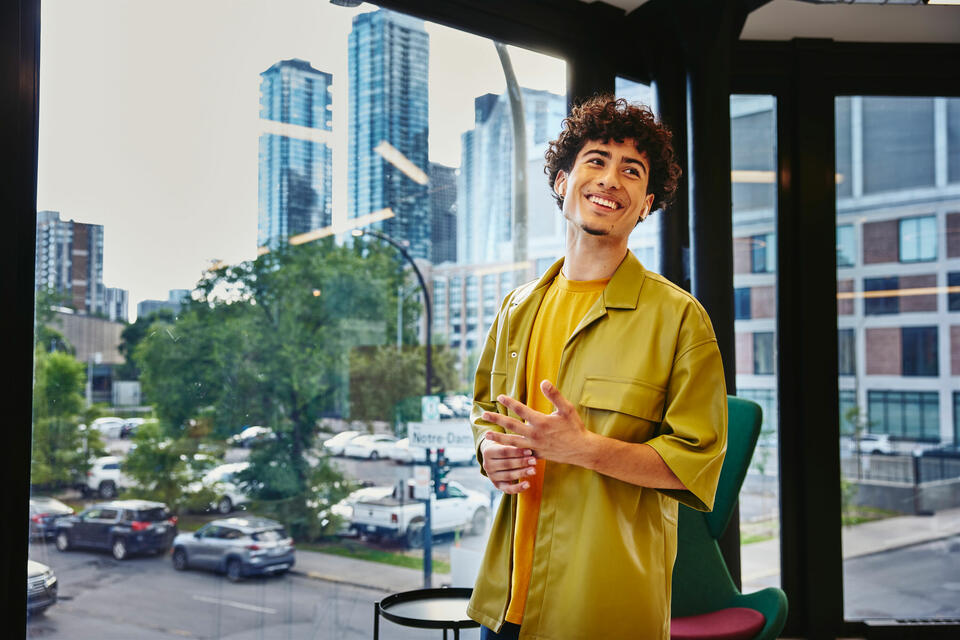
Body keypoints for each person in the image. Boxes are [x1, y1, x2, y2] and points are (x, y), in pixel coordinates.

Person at [466, 95, 728, 640]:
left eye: (631, 170)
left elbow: (695, 464)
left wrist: (583, 448)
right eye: (597, 160)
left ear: (646, 203)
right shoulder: (517, 307)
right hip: (505, 602)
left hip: (604, 607)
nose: (611, 179)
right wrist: (489, 451)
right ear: (563, 181)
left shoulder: (680, 319)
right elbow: (487, 411)